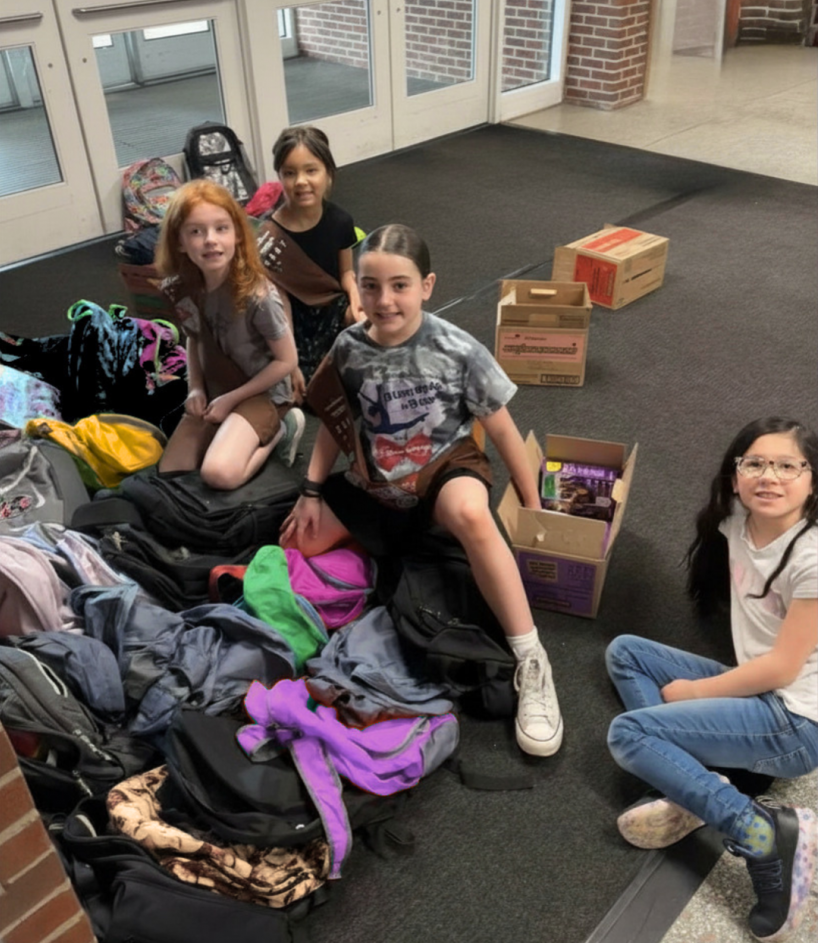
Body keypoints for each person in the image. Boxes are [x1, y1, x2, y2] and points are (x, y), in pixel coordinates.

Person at [279, 223, 563, 758]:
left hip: (443, 473)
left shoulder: (455, 348)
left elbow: (502, 429)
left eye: (400, 285)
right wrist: (312, 492)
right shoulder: (347, 349)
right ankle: (397, 570)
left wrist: (533, 506)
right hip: (378, 483)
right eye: (370, 285)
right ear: (356, 287)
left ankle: (531, 659)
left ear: (426, 285)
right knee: (300, 542)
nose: (384, 300)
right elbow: (334, 426)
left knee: (472, 515)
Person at [606, 417, 818, 942]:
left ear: (812, 479)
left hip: (795, 721)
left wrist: (695, 693)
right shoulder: (734, 519)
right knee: (626, 654)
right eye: (755, 463)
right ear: (735, 474)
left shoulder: (813, 556)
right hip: (758, 688)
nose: (769, 476)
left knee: (628, 733)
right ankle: (703, 786)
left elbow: (784, 669)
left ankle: (761, 832)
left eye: (788, 466)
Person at [156, 179, 305, 490]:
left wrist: (232, 400)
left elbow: (287, 360)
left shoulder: (257, 296)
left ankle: (278, 433)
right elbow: (194, 337)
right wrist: (195, 389)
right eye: (196, 231)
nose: (210, 240)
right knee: (172, 472)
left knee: (218, 474)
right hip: (216, 389)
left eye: (221, 228)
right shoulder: (180, 287)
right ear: (180, 241)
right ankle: (229, 430)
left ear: (237, 234)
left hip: (261, 393)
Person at [258, 126, 365, 404]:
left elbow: (346, 274)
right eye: (289, 173)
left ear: (328, 173)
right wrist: (290, 362)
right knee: (305, 393)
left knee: (373, 320)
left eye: (311, 170)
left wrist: (357, 301)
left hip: (332, 308)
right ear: (280, 177)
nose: (301, 181)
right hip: (295, 320)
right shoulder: (270, 235)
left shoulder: (341, 220)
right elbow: (279, 303)